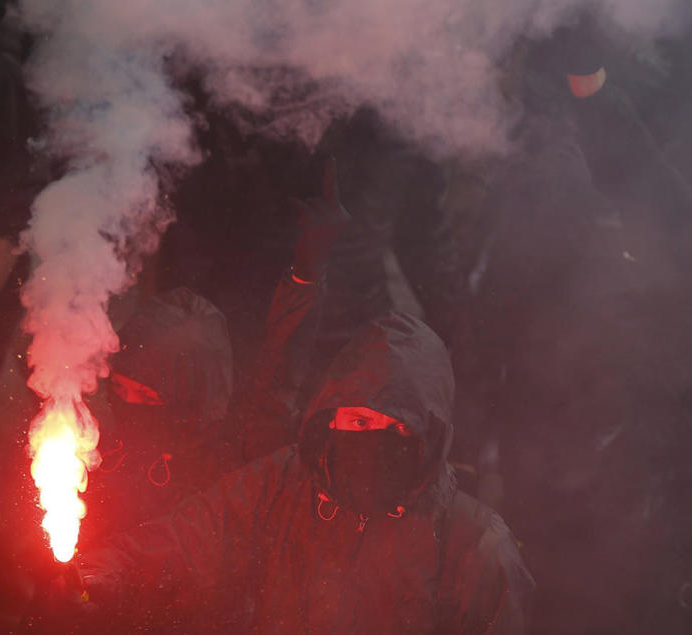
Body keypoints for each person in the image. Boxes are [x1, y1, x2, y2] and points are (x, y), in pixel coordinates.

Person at [43, 160, 533, 634]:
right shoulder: (286, 486)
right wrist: (99, 572)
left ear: (419, 431)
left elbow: (275, 387)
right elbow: (187, 536)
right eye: (346, 421)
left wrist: (305, 277)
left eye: (370, 424)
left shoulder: (472, 546)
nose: (353, 437)